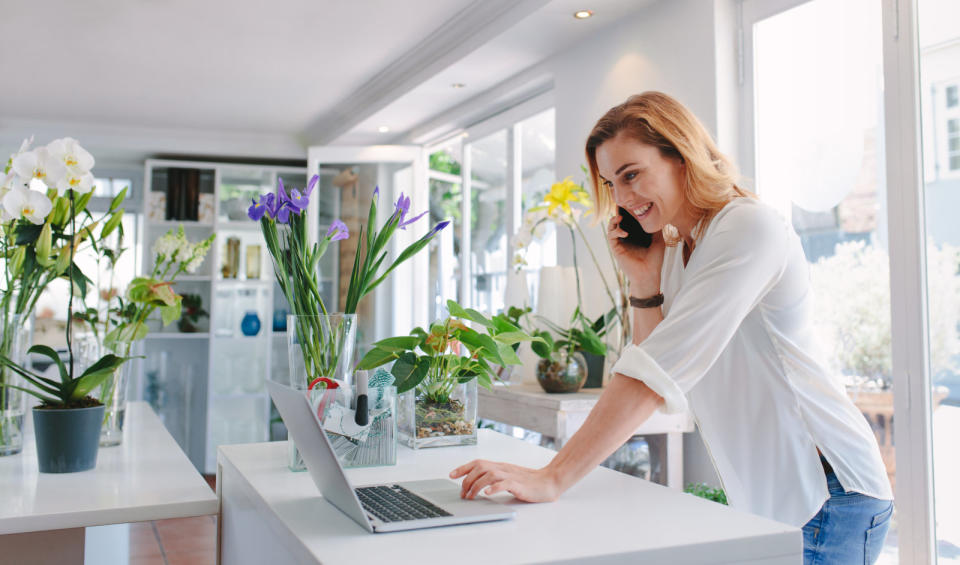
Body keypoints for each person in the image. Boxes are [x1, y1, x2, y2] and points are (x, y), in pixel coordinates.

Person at [450, 92, 894, 565]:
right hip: (778, 491)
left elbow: (654, 371)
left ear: (681, 155)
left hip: (828, 487)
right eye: (610, 183)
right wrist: (644, 281)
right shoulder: (684, 249)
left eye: (631, 175)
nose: (621, 199)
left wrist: (552, 476)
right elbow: (657, 366)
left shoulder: (748, 228)